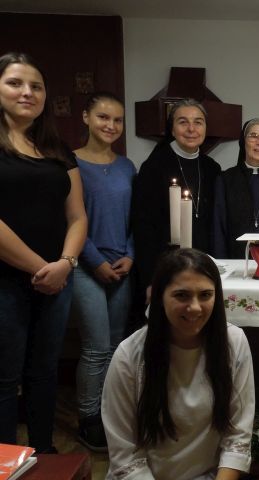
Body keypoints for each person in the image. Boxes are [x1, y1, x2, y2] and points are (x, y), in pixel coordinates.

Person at [102, 248, 255, 480]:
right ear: (160, 297)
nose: (195, 307)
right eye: (182, 295)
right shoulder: (129, 356)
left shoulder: (233, 343)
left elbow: (237, 438)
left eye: (205, 295)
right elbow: (126, 457)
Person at [0, 52, 87, 452]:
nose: (27, 92)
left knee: (44, 371)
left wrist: (65, 264)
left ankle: (44, 453)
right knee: (4, 376)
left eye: (36, 86)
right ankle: (6, 460)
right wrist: (43, 268)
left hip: (57, 278)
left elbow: (77, 216)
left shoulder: (57, 149)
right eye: (15, 83)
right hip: (7, 280)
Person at [71, 92, 136, 451]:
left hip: (121, 266)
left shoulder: (127, 166)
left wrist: (131, 255)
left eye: (117, 120)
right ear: (86, 117)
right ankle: (88, 418)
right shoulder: (70, 163)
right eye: (103, 117)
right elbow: (71, 219)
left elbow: (135, 219)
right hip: (85, 266)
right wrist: (95, 262)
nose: (111, 125)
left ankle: (109, 410)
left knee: (114, 345)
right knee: (95, 347)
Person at [132, 98, 221, 296]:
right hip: (166, 266)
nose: (191, 129)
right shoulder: (153, 167)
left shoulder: (212, 168)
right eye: (183, 122)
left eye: (198, 122)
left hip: (204, 264)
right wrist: (151, 279)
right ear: (172, 129)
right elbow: (143, 227)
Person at [214, 118, 259, 259]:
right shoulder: (226, 179)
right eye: (254, 136)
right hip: (236, 259)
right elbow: (218, 225)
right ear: (243, 141)